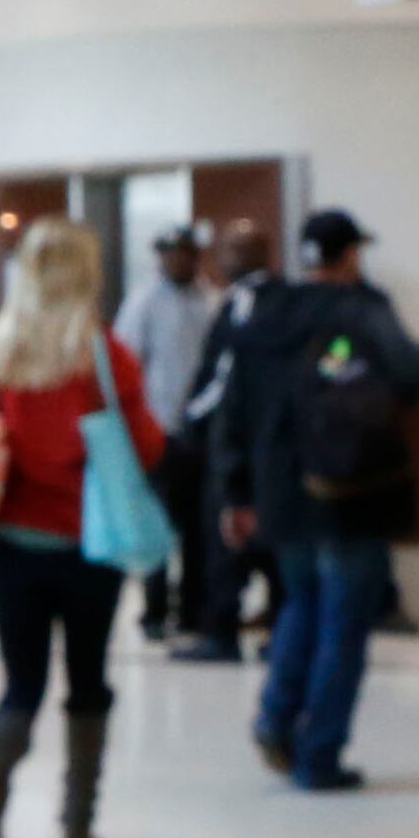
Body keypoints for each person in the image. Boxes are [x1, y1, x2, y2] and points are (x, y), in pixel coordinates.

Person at [0, 218, 167, 838]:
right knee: (89, 680)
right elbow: (146, 444)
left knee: (21, 684)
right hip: (89, 545)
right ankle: (77, 828)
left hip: (12, 544)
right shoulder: (105, 356)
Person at [216, 208, 419, 792]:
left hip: (282, 493)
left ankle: (275, 719)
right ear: (352, 255)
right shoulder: (365, 311)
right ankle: (320, 754)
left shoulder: (266, 312)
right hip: (351, 489)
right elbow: (410, 374)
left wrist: (236, 492)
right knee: (344, 623)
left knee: (300, 603)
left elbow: (235, 406)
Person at [167, 219, 278, 664]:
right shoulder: (287, 300)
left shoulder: (241, 302)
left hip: (231, 439)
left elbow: (224, 374)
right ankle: (281, 631)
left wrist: (191, 422)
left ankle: (221, 632)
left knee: (224, 538)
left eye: (229, 250)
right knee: (270, 538)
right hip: (274, 445)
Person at [113, 227, 217, 642]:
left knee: (198, 528)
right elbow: (127, 365)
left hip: (201, 433)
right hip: (159, 432)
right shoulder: (143, 303)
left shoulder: (211, 301)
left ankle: (192, 609)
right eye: (171, 254)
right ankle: (154, 610)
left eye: (186, 253)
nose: (178, 261)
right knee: (157, 523)